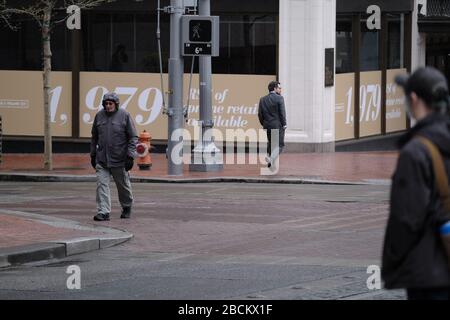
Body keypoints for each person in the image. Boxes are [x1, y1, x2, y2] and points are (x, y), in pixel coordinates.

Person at [382, 67, 450, 300]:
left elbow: (407, 218)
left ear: (413, 98)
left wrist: (394, 260)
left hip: (429, 272)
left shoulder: (416, 151)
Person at [90, 92, 138, 221]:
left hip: (120, 160)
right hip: (102, 159)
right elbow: (94, 136)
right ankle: (103, 212)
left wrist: (130, 156)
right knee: (102, 185)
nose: (108, 106)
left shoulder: (125, 116)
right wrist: (93, 154)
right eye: (106, 103)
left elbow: (133, 137)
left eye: (110, 103)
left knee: (123, 186)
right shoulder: (99, 116)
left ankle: (127, 206)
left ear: (116, 104)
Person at [258, 81, 287, 167]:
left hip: (268, 125)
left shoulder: (262, 99)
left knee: (271, 143)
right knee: (280, 145)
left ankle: (270, 160)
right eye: (279, 88)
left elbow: (260, 114)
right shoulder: (280, 98)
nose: (280, 89)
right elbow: (282, 113)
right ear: (274, 89)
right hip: (278, 125)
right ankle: (271, 158)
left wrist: (264, 124)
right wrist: (284, 123)